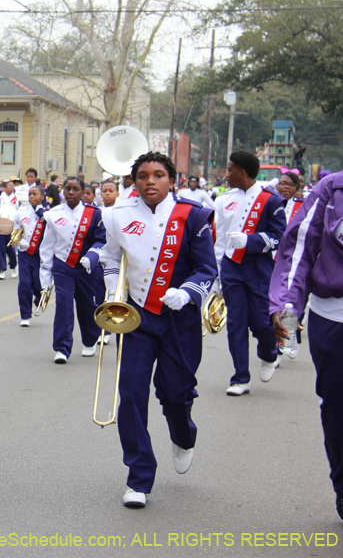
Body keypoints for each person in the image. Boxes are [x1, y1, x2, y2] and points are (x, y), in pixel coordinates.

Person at [98, 151, 216, 509]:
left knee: (176, 393)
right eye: (143, 175)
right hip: (136, 318)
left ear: (171, 180)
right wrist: (111, 288)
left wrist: (187, 292)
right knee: (131, 395)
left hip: (178, 317)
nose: (151, 181)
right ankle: (139, 477)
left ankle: (183, 435)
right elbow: (110, 257)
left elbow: (207, 268)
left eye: (159, 174)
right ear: (134, 181)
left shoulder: (192, 216)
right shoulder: (117, 215)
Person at [269, 166, 343, 525]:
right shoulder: (333, 190)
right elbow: (298, 250)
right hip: (336, 320)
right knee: (339, 409)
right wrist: (287, 304)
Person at [214, 150, 286, 395]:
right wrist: (216, 271)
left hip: (259, 268)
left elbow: (279, 237)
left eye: (230, 170)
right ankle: (240, 378)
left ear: (241, 173)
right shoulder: (223, 200)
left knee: (261, 322)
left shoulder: (272, 200)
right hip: (231, 267)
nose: (226, 174)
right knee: (235, 323)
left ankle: (269, 353)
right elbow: (221, 238)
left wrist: (250, 240)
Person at [38, 177, 106, 363]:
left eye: (76, 189)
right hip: (63, 265)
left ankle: (89, 341)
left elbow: (101, 240)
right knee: (64, 305)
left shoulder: (94, 214)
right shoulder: (53, 214)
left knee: (86, 305)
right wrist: (45, 275)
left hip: (86, 267)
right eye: (68, 189)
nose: (71, 193)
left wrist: (91, 256)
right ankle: (62, 348)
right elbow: (47, 246)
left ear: (83, 192)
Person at [13, 186, 48, 326]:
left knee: (37, 283)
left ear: (42, 197)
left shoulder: (47, 213)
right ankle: (25, 314)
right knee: (24, 283)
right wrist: (20, 242)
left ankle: (39, 299)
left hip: (40, 254)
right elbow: (15, 230)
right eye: (30, 194)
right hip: (25, 253)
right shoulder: (21, 213)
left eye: (35, 194)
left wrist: (42, 213)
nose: (32, 197)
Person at [0, 181, 18, 280]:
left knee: (11, 249)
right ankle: (2, 270)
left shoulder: (16, 199)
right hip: (0, 225)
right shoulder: (0, 197)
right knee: (1, 249)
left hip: (11, 227)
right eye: (9, 186)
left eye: (13, 187)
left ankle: (13, 266)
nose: (11, 188)